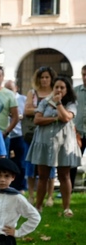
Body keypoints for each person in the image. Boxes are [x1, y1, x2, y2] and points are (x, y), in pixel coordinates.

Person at [25, 76, 81, 216]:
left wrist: (58, 104)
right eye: (56, 87)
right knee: (42, 176)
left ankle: (66, 208)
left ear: (67, 89)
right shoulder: (44, 102)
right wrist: (55, 118)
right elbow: (37, 120)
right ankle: (38, 206)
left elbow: (66, 117)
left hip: (64, 144)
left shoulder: (71, 103)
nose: (59, 90)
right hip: (44, 143)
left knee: (64, 175)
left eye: (62, 87)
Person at [24, 66, 57, 204]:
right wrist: (44, 110)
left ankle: (49, 196)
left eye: (47, 77)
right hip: (32, 134)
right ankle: (31, 195)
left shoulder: (55, 93)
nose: (44, 80)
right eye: (42, 77)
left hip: (51, 134)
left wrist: (38, 111)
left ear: (51, 79)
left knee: (50, 164)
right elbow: (27, 110)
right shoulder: (33, 93)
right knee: (31, 164)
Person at [4, 79, 28, 192]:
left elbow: (26, 114)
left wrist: (17, 116)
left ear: (16, 88)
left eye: (10, 89)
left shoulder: (23, 99)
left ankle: (21, 186)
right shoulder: (3, 98)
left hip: (19, 134)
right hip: (6, 134)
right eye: (6, 89)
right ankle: (8, 185)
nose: (8, 91)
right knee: (7, 161)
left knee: (20, 162)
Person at [71, 65, 86, 189]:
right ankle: (68, 189)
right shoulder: (75, 91)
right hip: (78, 133)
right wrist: (75, 132)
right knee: (73, 162)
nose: (85, 77)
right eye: (83, 75)